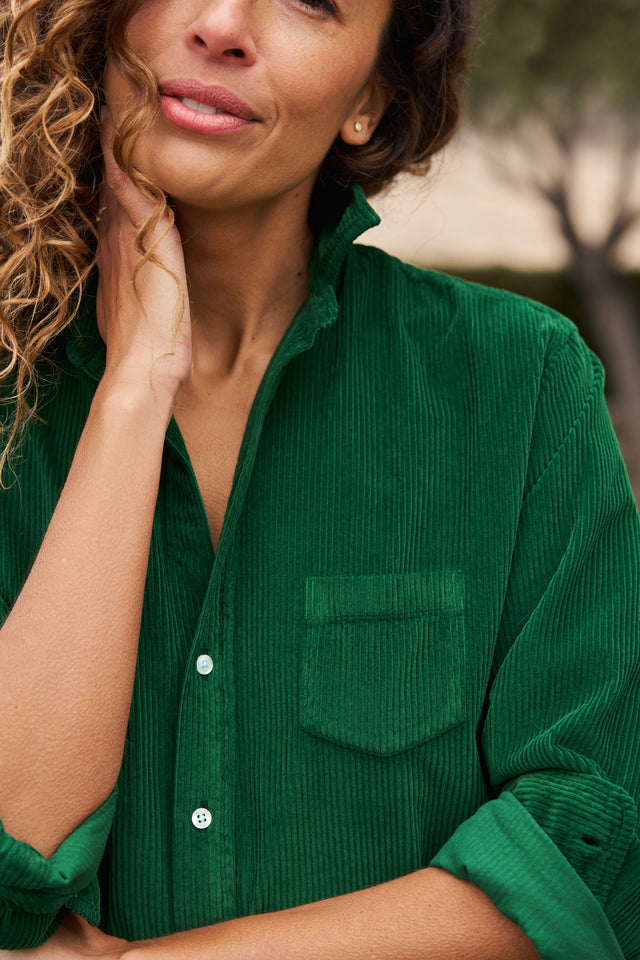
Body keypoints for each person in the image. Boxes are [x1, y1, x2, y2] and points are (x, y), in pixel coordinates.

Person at [0, 0, 639, 957]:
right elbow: (12, 874)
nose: (223, 23)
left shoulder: (522, 384)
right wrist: (135, 388)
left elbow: (589, 844)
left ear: (370, 101)